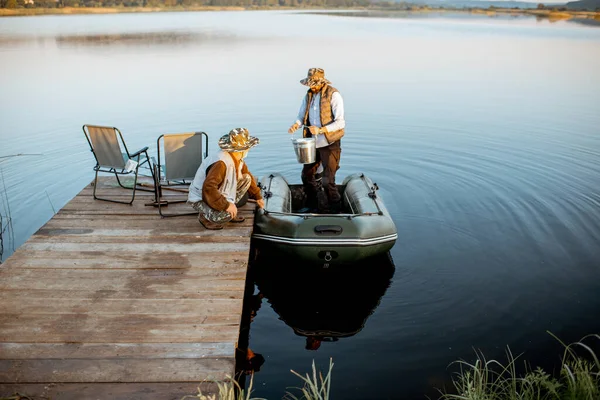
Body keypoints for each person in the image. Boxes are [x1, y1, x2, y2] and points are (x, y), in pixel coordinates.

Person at [288, 67, 345, 213]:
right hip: (312, 143)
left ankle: (335, 209)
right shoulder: (308, 96)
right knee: (306, 175)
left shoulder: (334, 94)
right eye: (310, 84)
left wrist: (321, 130)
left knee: (328, 180)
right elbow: (301, 116)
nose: (311, 86)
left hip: (330, 144)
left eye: (314, 84)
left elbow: (341, 123)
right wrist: (296, 124)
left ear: (321, 82)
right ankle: (313, 205)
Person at [188, 128, 265, 230]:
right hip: (201, 198)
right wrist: (227, 206)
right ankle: (205, 216)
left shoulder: (237, 158)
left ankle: (228, 209)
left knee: (247, 178)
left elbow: (247, 174)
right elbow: (208, 188)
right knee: (225, 216)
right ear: (241, 150)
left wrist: (258, 197)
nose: (248, 150)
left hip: (218, 193)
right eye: (247, 148)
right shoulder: (221, 163)